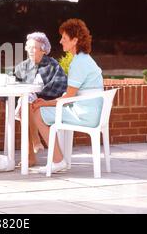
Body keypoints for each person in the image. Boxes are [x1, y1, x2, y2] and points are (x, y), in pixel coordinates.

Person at [31, 18, 104, 173]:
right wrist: (47, 102)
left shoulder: (78, 62)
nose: (60, 41)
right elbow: (71, 95)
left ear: (75, 40)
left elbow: (68, 98)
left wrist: (44, 103)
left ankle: (58, 161)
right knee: (42, 109)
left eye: (64, 38)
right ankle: (58, 160)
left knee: (37, 113)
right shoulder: (85, 59)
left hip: (85, 114)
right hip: (89, 111)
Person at [14, 32, 67, 167]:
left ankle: (31, 154)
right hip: (27, 104)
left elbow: (60, 86)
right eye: (28, 47)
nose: (30, 50)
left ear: (43, 50)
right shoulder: (23, 66)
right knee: (26, 102)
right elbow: (12, 83)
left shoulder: (52, 65)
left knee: (29, 104)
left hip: (48, 104)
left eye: (34, 48)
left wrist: (40, 97)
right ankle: (35, 144)